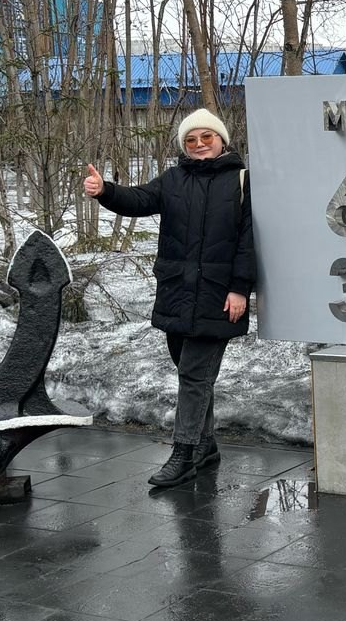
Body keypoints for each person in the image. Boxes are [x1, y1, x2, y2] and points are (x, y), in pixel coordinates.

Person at [83, 109, 256, 488]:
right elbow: (139, 199)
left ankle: (183, 453)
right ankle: (206, 445)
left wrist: (240, 288)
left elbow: (249, 240)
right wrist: (105, 190)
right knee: (193, 374)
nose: (199, 145)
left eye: (206, 137)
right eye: (191, 140)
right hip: (177, 292)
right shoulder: (173, 179)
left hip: (218, 296)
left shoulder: (243, 182)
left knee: (194, 375)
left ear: (221, 140)